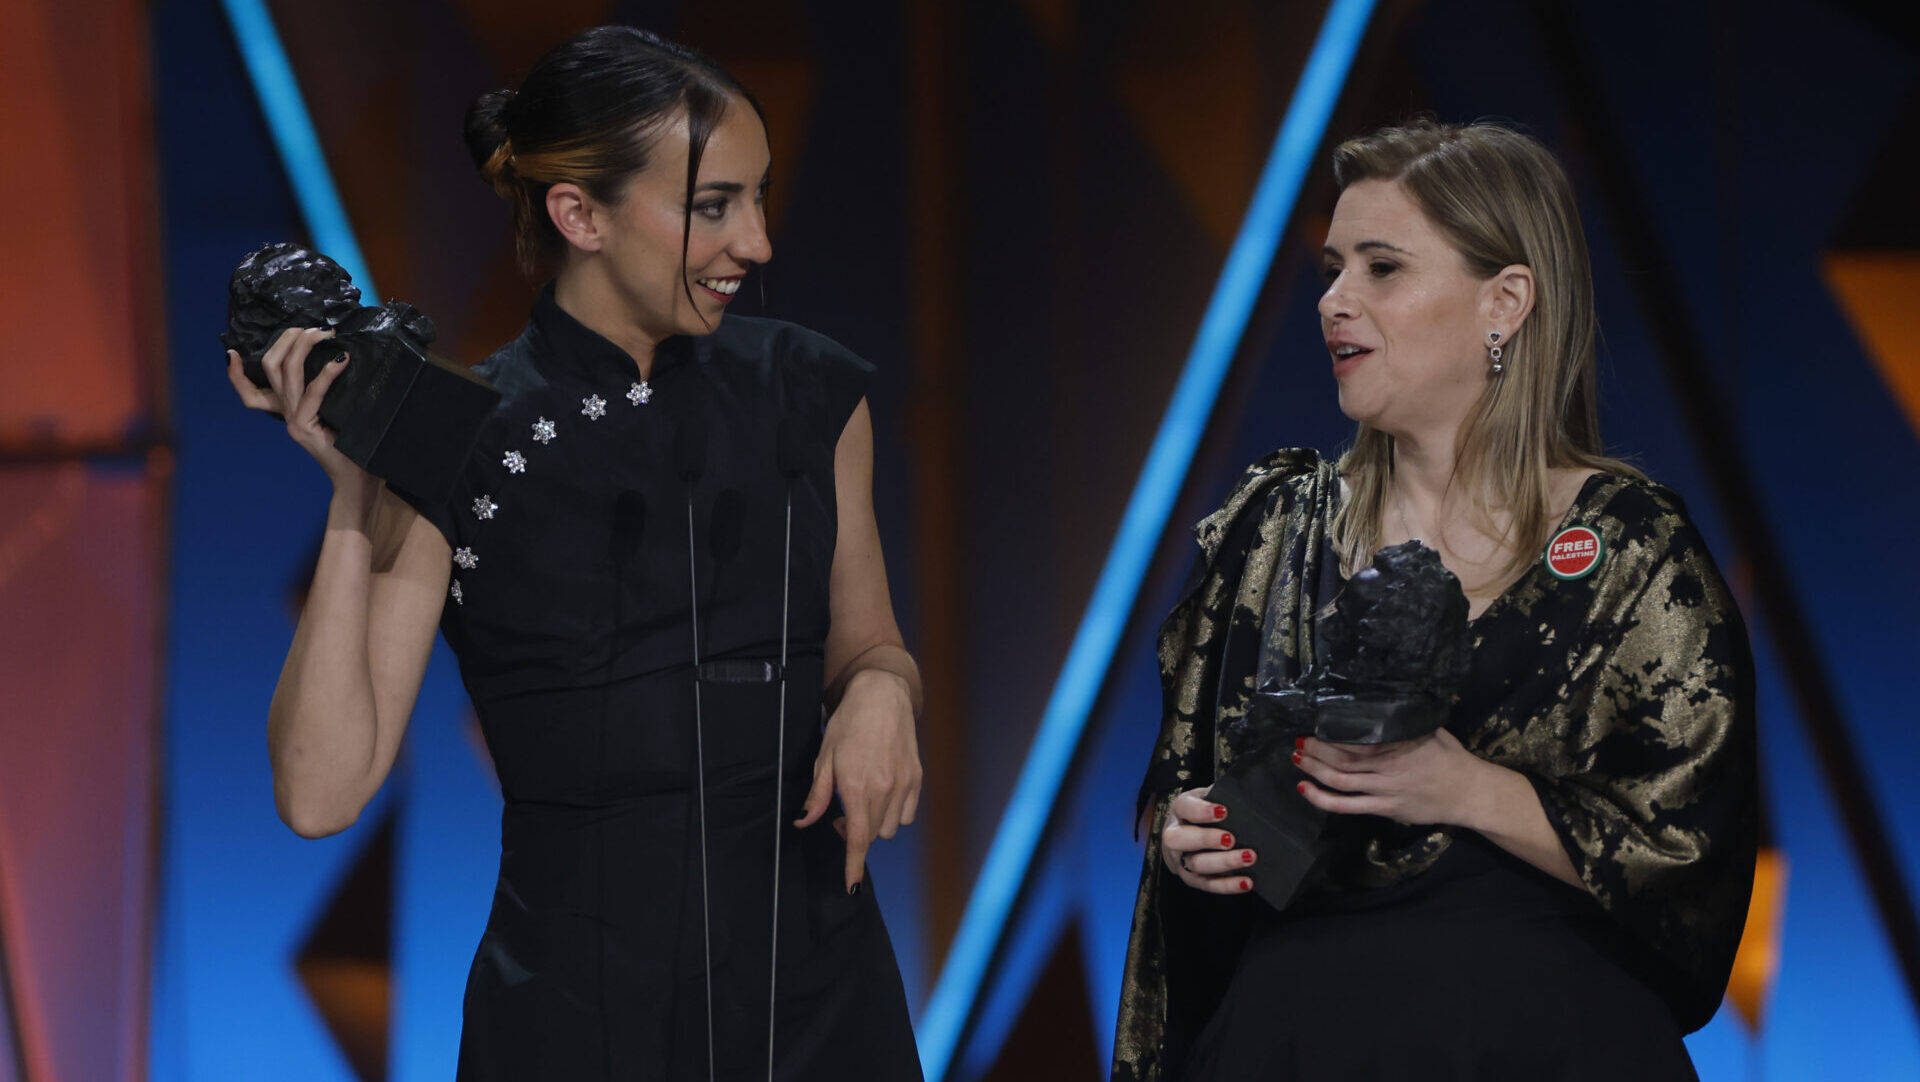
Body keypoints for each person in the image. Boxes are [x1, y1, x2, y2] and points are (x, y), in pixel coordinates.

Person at [226, 26, 924, 1081]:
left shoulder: (809, 393)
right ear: (579, 213)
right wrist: (353, 489)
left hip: (816, 1000)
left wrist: (882, 693)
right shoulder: (461, 436)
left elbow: (871, 642)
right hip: (574, 1018)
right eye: (712, 205)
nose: (757, 243)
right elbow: (321, 791)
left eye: (758, 198)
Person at [1112, 119, 1757, 1081]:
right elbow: (1181, 786)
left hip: (1540, 1039)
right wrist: (1188, 838)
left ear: (1505, 302)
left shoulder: (1630, 550)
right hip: (1287, 1041)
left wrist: (1466, 790)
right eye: (1332, 269)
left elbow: (1690, 860)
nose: (1332, 301)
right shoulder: (1273, 529)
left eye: (1381, 269)